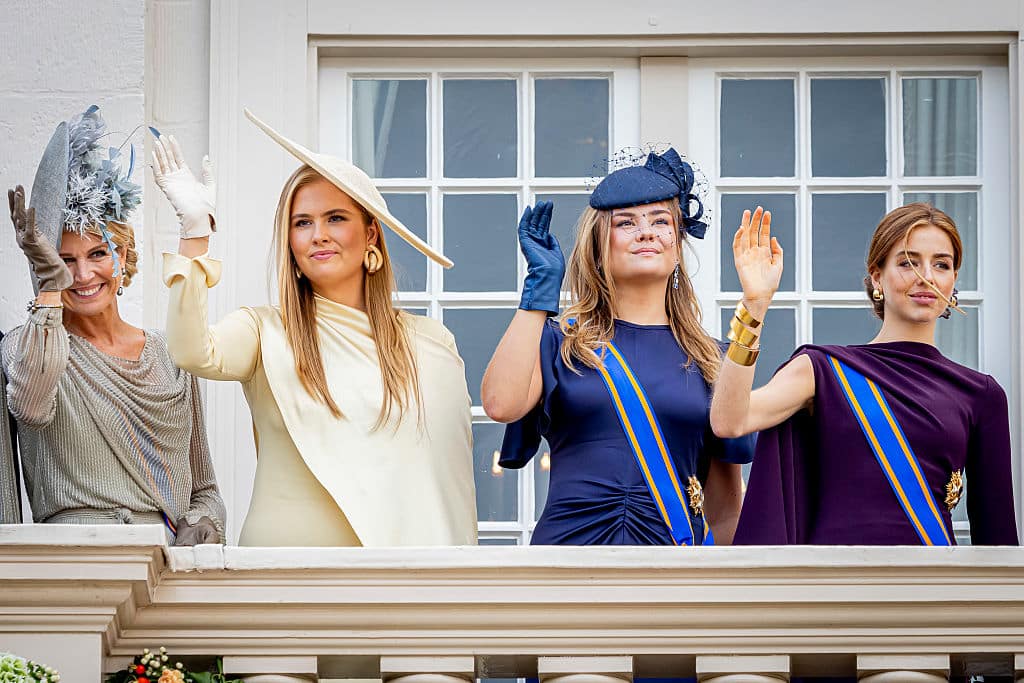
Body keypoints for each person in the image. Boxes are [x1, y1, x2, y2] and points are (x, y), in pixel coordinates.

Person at [154, 109, 476, 547]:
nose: (318, 234)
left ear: (370, 236)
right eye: (302, 223)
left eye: (336, 218)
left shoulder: (431, 343)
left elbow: (445, 488)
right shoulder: (263, 330)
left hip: (396, 588)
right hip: (283, 581)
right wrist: (195, 233)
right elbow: (191, 351)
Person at [483, 148, 753, 546]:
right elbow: (500, 404)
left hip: (673, 568)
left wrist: (729, 597)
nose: (646, 232)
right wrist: (540, 289)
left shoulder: (714, 358)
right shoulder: (559, 341)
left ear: (677, 245)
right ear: (598, 243)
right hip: (569, 561)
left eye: (661, 221)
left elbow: (726, 507)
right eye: (626, 223)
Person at [712, 204, 1018, 545]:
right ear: (877, 277)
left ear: (953, 280)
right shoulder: (824, 370)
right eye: (908, 262)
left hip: (933, 588)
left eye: (941, 264)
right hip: (838, 586)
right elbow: (730, 422)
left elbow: (998, 541)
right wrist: (754, 306)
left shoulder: (980, 393)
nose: (926, 277)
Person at [1, 106, 225, 544]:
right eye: (64, 262)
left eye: (97, 254)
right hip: (76, 566)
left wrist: (204, 526)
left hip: (167, 565)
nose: (82, 276)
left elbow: (206, 490)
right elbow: (30, 402)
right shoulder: (26, 349)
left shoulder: (168, 353)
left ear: (122, 258)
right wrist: (47, 290)